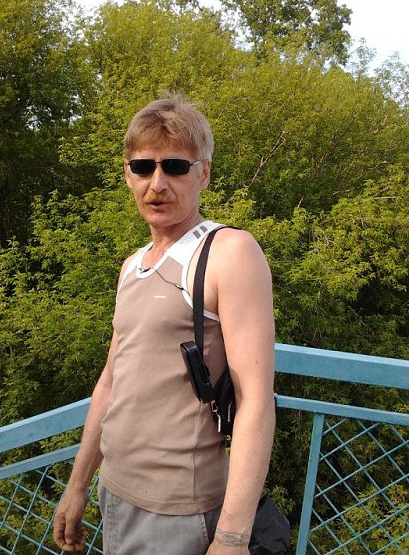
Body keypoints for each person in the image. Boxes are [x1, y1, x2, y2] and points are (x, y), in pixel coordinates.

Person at [53, 94, 276, 555]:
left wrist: (232, 537)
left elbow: (256, 400)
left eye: (175, 166)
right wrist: (78, 484)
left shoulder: (228, 253)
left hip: (178, 511)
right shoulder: (132, 265)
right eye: (143, 167)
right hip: (115, 491)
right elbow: (111, 381)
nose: (157, 183)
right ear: (127, 175)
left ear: (204, 173)